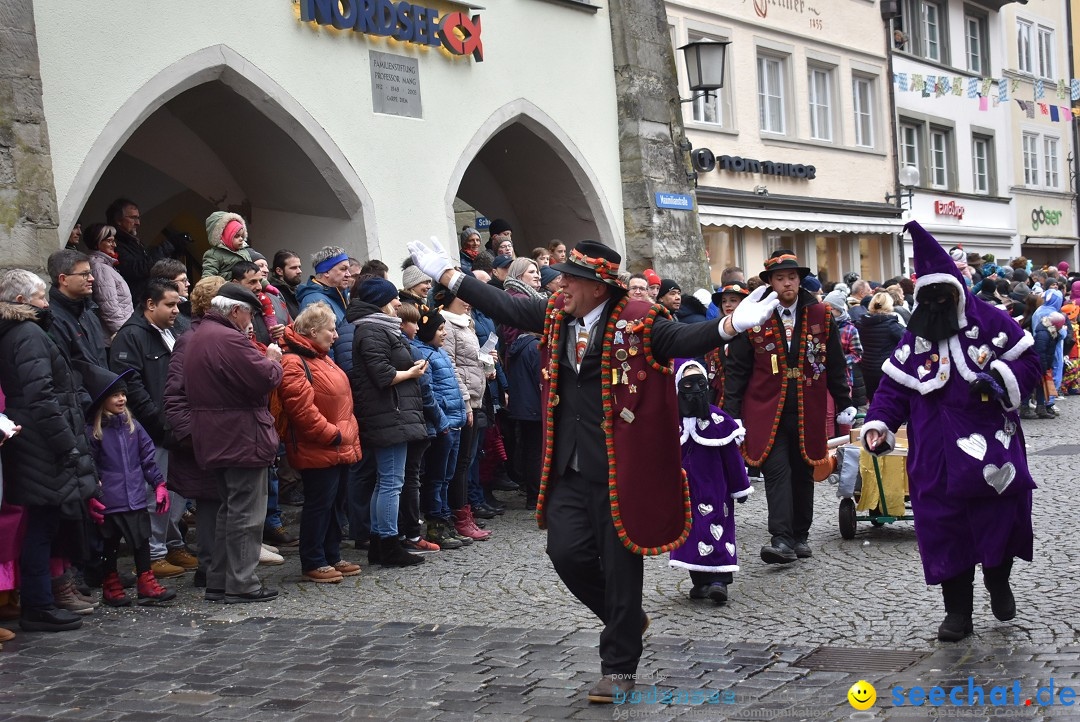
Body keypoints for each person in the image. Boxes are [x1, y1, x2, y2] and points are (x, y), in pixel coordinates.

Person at [408, 236, 779, 703]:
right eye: (560, 276)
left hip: (621, 469)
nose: (559, 284)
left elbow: (682, 338)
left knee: (622, 567)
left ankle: (619, 667)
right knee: (565, 553)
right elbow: (501, 304)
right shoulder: (555, 317)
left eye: (570, 279)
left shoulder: (641, 322)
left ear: (598, 287)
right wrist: (448, 274)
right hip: (568, 466)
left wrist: (727, 326)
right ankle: (625, 618)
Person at [862, 221, 1040, 642]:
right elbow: (893, 388)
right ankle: (957, 612)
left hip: (991, 446)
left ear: (959, 291)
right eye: (930, 297)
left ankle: (999, 579)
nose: (938, 304)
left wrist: (1000, 377)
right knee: (944, 529)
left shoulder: (993, 321)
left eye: (945, 295)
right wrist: (880, 424)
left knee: (999, 519)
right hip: (935, 453)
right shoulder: (915, 335)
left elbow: (1029, 364)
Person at [724, 251, 855, 565]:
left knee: (804, 470)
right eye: (780, 278)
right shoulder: (754, 315)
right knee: (776, 472)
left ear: (800, 280)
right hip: (765, 409)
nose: (787, 284)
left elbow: (835, 363)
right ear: (770, 282)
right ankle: (780, 538)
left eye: (792, 277)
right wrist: (732, 413)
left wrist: (845, 402)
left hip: (807, 406)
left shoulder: (821, 314)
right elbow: (737, 368)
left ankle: (800, 535)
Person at [0, 269, 98, 632]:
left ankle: (40, 601)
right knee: (42, 525)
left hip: (37, 438)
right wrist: (66, 443)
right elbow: (40, 394)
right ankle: (39, 604)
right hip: (42, 442)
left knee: (44, 523)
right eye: (42, 297)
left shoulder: (20, 331)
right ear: (23, 301)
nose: (47, 303)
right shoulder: (27, 333)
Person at [183, 284, 283, 604]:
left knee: (229, 510)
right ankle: (241, 583)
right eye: (250, 313)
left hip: (218, 434)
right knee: (245, 513)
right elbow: (264, 378)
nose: (250, 320)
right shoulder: (227, 338)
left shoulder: (201, 334)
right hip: (240, 435)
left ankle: (219, 581)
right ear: (236, 310)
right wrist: (272, 359)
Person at [109, 278, 195, 579]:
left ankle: (172, 544)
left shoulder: (171, 332)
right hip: (151, 431)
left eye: (177, 305)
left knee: (176, 491)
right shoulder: (130, 337)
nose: (176, 310)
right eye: (170, 304)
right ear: (149, 304)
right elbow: (131, 386)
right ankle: (153, 553)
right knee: (153, 493)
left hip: (175, 427)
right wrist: (159, 422)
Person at [276, 302, 364, 583]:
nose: (336, 335)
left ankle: (331, 554)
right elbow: (301, 410)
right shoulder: (293, 361)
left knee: (336, 503)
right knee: (320, 503)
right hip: (320, 445)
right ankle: (314, 560)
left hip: (338, 443)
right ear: (313, 331)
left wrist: (346, 432)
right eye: (331, 329)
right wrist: (334, 434)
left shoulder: (320, 356)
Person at [345, 277, 428, 567]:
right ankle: (389, 544)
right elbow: (383, 376)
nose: (398, 303)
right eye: (394, 298)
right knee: (391, 482)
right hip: (388, 415)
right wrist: (412, 373)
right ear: (381, 301)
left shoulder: (377, 328)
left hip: (391, 414)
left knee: (387, 481)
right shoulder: (372, 330)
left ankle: (381, 543)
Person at [82, 366, 176, 606]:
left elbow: (147, 458)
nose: (121, 398)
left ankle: (146, 581)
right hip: (109, 500)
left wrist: (159, 484)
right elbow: (88, 464)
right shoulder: (94, 432)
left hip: (134, 497)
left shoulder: (133, 426)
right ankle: (110, 583)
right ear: (103, 401)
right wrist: (93, 492)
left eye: (123, 394)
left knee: (141, 540)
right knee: (110, 544)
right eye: (115, 395)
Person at [669, 361, 752, 604]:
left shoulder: (719, 421)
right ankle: (700, 581)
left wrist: (740, 485)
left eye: (700, 383)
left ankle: (720, 581)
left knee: (719, 530)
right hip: (686, 493)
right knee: (691, 534)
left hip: (717, 491)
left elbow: (732, 458)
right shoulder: (672, 423)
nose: (695, 389)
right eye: (688, 384)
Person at [163, 276, 227, 590]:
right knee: (210, 503)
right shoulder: (191, 339)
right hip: (204, 439)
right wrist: (192, 436)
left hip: (221, 436)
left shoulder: (219, 334)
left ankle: (220, 566)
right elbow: (174, 394)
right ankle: (209, 567)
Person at [433, 283, 492, 541]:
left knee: (467, 459)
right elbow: (451, 366)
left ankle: (464, 512)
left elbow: (469, 360)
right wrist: (465, 400)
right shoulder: (445, 323)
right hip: (463, 400)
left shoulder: (466, 321)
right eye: (463, 296)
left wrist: (486, 362)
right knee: (460, 463)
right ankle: (459, 515)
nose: (468, 301)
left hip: (478, 396)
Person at [410, 308, 468, 550]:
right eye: (440, 329)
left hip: (454, 423)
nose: (444, 333)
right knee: (436, 477)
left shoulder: (439, 353)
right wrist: (443, 419)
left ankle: (445, 518)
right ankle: (436, 523)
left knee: (447, 477)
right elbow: (429, 394)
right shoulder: (425, 355)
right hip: (442, 425)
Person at [394, 302, 443, 555]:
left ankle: (406, 531)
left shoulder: (407, 347)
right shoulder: (409, 349)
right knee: (408, 479)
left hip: (413, 421)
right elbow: (424, 390)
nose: (416, 326)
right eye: (413, 322)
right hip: (413, 421)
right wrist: (441, 419)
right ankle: (409, 533)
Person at [46, 250, 109, 369]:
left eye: (90, 272)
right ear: (63, 279)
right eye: (84, 274)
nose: (91, 278)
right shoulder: (53, 320)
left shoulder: (89, 311)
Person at [296, 246, 355, 370]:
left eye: (348, 269)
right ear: (326, 272)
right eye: (343, 269)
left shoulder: (339, 294)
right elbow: (320, 347)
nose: (348, 274)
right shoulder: (315, 300)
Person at [106, 198, 172, 296]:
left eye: (138, 218)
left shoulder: (134, 242)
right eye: (133, 218)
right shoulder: (114, 244)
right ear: (118, 220)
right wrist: (166, 247)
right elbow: (137, 269)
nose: (138, 223)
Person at [83, 223, 133, 339]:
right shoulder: (100, 268)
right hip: (115, 336)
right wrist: (126, 334)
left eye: (113, 241)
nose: (114, 245)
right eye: (109, 241)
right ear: (97, 243)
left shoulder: (105, 266)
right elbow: (109, 306)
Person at [857, 291, 905, 403]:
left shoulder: (862, 323)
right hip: (886, 369)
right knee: (888, 402)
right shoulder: (891, 325)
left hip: (867, 368)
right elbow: (907, 340)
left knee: (874, 401)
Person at [201, 211, 253, 280]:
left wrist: (266, 285)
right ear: (225, 236)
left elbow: (254, 272)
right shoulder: (214, 255)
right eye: (236, 236)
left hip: (246, 288)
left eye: (242, 236)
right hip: (227, 289)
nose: (241, 239)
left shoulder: (244, 251)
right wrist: (234, 274)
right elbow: (208, 279)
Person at [148, 259, 192, 336]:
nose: (188, 284)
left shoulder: (185, 305)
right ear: (168, 283)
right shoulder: (164, 316)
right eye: (183, 280)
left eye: (187, 280)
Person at [271, 250, 303, 320]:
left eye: (299, 267)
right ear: (279, 271)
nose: (299, 271)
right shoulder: (274, 294)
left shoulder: (299, 291)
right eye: (294, 268)